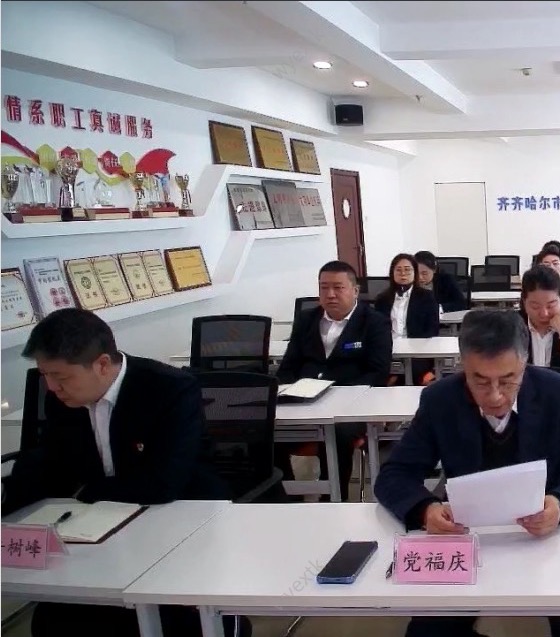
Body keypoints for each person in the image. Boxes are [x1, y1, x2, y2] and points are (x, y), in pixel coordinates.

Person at [4, 308, 247, 637]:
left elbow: (163, 483)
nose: (51, 387)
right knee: (54, 620)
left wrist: (86, 491)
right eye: (45, 374)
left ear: (102, 364)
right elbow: (52, 464)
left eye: (61, 377)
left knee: (172, 620)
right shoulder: (61, 399)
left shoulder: (170, 389)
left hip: (179, 517)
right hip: (100, 527)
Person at [374, 310, 560, 637]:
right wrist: (425, 509)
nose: (495, 395)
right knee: (429, 633)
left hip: (546, 532)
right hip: (466, 535)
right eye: (480, 381)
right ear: (463, 366)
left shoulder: (559, 393)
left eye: (507, 380)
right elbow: (394, 475)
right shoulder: (440, 400)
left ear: (525, 362)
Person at [276, 260, 392, 501]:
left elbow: (378, 373)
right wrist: (290, 391)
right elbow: (287, 368)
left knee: (338, 434)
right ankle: (286, 498)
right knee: (268, 431)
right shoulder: (306, 320)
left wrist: (338, 395)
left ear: (355, 291)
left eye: (338, 288)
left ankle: (335, 499)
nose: (330, 294)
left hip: (352, 405)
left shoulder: (374, 322)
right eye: (324, 287)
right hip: (304, 402)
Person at [373, 253, 441, 385]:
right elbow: (377, 328)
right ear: (392, 273)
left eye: (407, 270)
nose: (403, 273)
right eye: (398, 270)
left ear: (415, 273)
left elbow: (432, 329)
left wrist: (413, 346)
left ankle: (400, 379)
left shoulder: (427, 297)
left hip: (417, 350)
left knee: (411, 372)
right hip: (389, 349)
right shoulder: (382, 299)